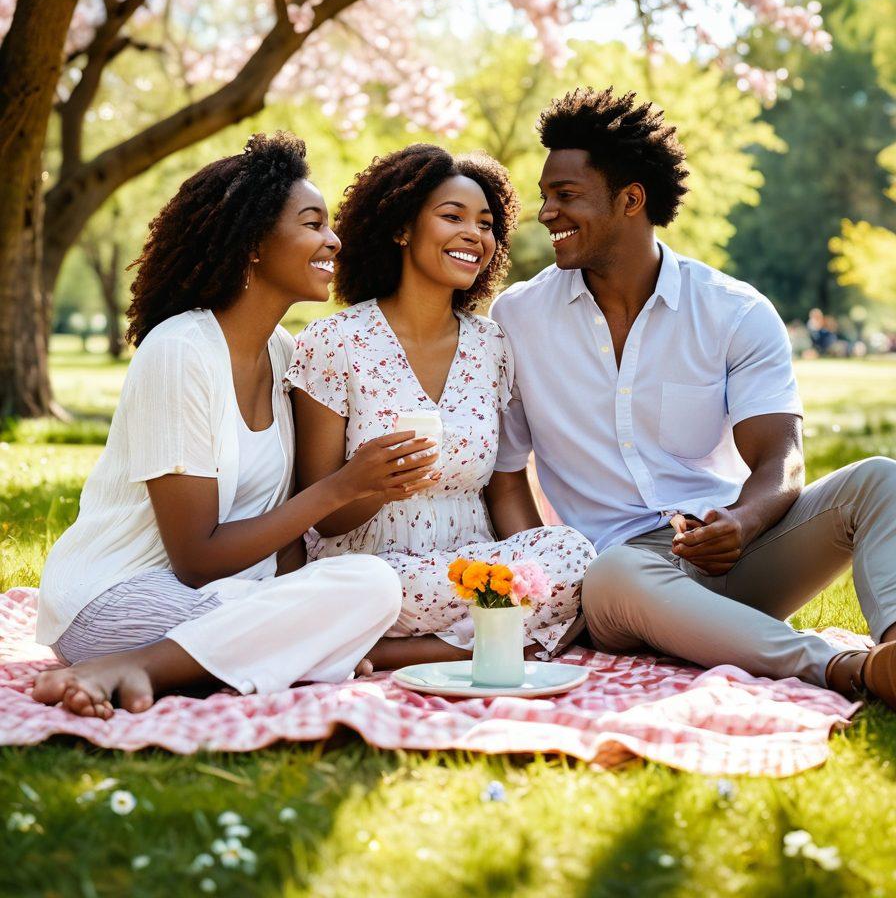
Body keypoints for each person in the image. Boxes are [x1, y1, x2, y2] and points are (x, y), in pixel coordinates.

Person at [488, 87, 896, 710]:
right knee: (618, 571)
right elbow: (507, 475)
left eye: (565, 196)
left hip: (737, 552)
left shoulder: (733, 311)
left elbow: (780, 460)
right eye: (545, 196)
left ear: (631, 200)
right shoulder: (517, 317)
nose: (545, 213)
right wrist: (539, 580)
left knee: (880, 480)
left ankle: (894, 652)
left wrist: (742, 520)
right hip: (616, 582)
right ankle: (846, 669)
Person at [33, 133, 440, 719]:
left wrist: (377, 486)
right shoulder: (179, 351)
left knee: (371, 584)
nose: (333, 239)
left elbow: (287, 541)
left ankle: (269, 652)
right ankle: (136, 663)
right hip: (117, 599)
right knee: (295, 620)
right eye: (312, 222)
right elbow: (194, 557)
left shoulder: (284, 354)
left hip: (223, 597)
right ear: (253, 243)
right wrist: (342, 486)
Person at [286, 144, 596, 669]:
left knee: (574, 556)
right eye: (453, 217)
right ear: (402, 228)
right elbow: (320, 514)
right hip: (374, 573)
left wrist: (534, 568)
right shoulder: (333, 342)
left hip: (471, 570)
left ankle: (387, 653)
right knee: (365, 587)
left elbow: (501, 482)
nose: (475, 235)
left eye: (486, 223)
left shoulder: (492, 345)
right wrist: (373, 483)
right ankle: (496, 639)